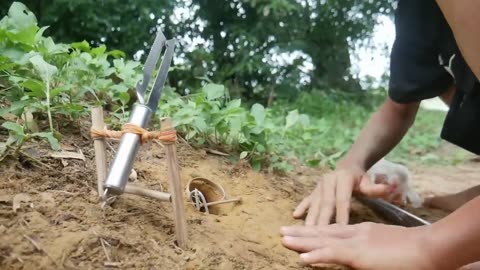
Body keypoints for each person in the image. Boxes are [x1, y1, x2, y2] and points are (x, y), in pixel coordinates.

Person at [280, 0, 480, 269]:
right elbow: (399, 106)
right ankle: (440, 200)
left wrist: (429, 246)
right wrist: (351, 164)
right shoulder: (418, 13)